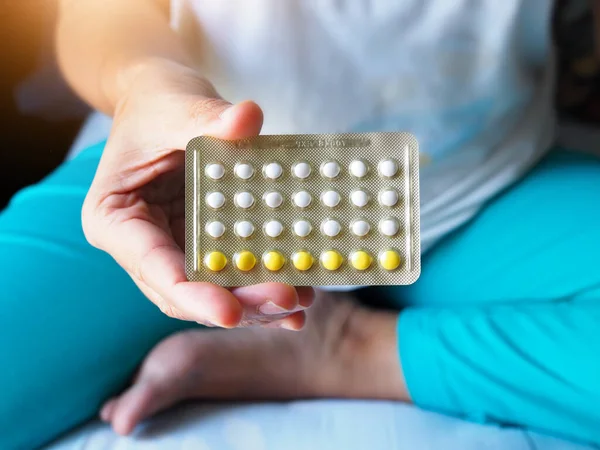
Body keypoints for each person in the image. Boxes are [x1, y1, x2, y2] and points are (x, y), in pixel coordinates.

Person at [2, 0, 600, 448]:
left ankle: (342, 348)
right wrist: (145, 86)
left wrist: (350, 357)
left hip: (485, 187)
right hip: (186, 187)